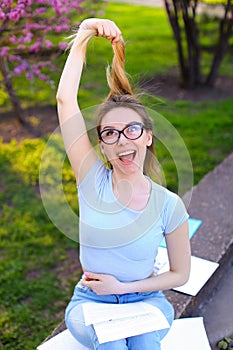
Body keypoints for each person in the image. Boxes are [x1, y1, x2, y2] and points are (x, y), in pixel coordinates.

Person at [56, 18, 191, 350]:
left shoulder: (169, 205)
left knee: (145, 345)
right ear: (101, 145)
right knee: (114, 346)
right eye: (110, 134)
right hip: (91, 302)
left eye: (131, 130)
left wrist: (123, 288)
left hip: (145, 300)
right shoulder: (91, 182)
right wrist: (85, 31)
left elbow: (180, 274)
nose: (121, 141)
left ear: (147, 136)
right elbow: (64, 100)